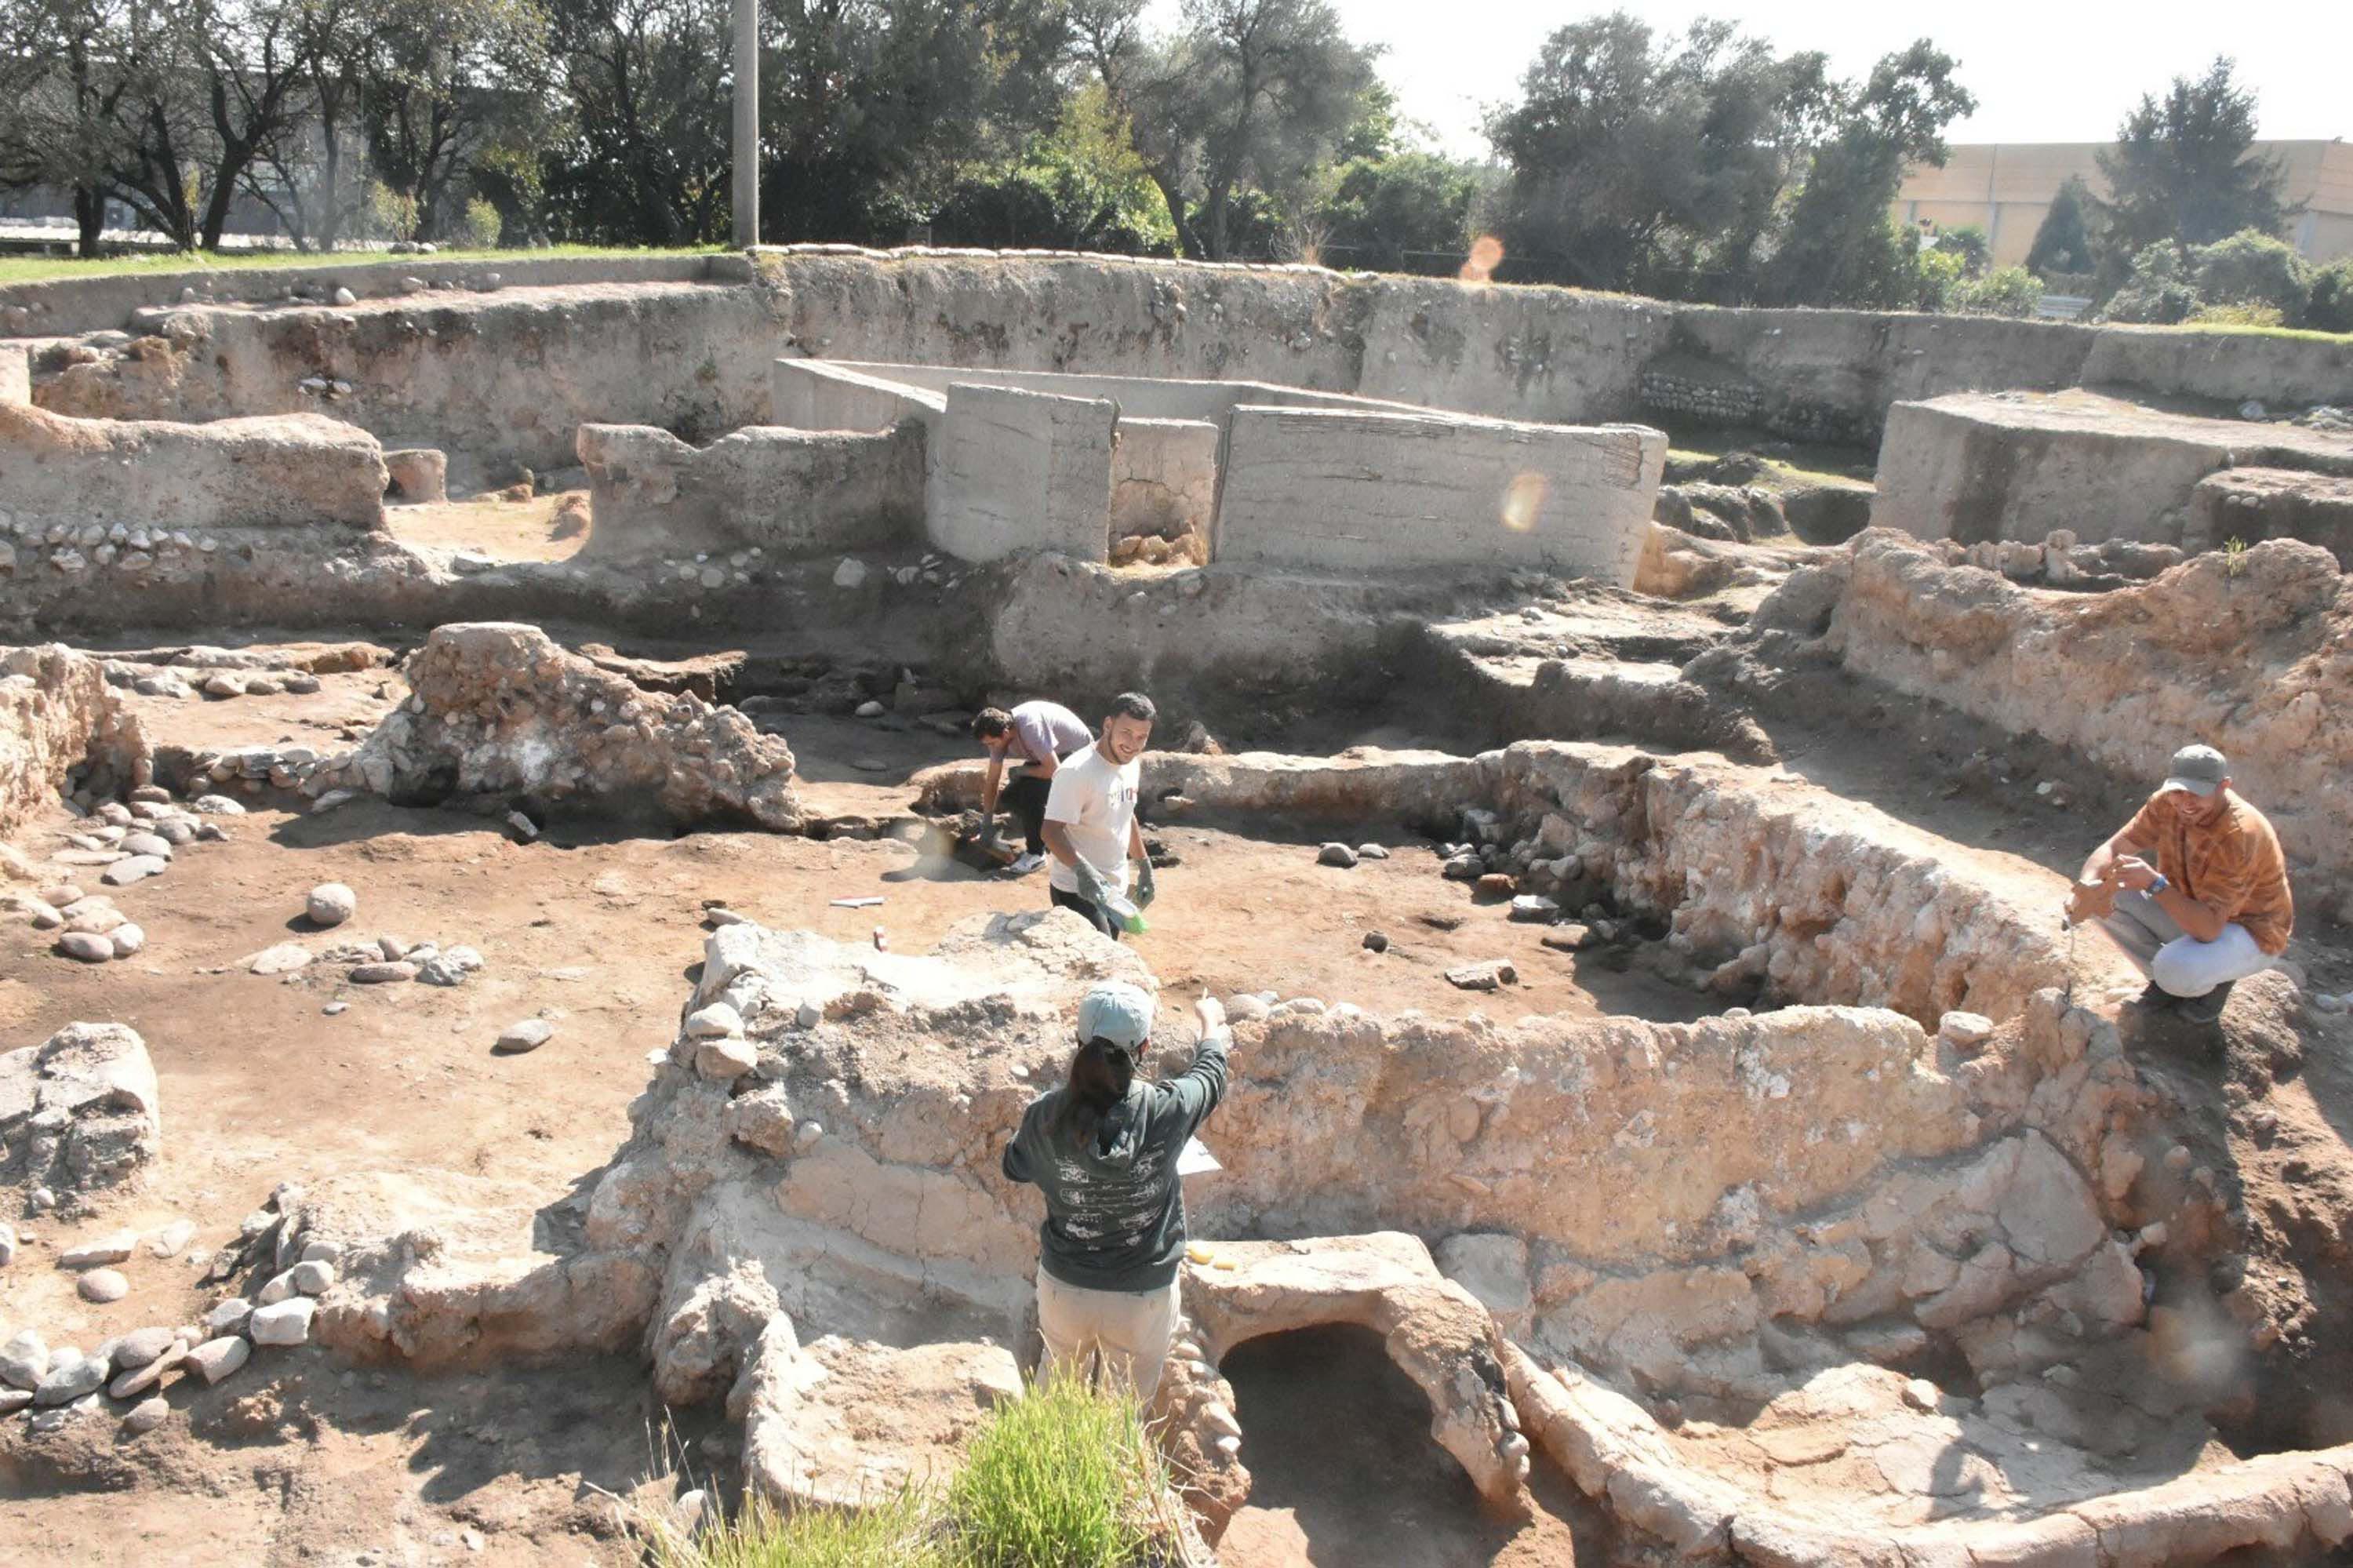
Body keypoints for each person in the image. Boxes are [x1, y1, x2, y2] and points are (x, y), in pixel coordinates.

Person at [1001, 982, 1229, 1400]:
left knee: (1055, 1401)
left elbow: (1013, 1167)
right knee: (1121, 1412)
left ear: (1078, 1042)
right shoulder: (1167, 1109)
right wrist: (1209, 1023)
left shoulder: (1044, 1118)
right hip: (1143, 1295)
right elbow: (1211, 1076)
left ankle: (1051, 1465)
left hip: (1065, 1287)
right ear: (1143, 1048)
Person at [2079, 743, 2292, 1023]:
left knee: (2174, 969)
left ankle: (2212, 981)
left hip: (2250, 931)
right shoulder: (2166, 803)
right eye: (2179, 791)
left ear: (2223, 786)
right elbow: (2115, 848)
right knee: (2104, 896)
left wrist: (2155, 884)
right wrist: (2085, 887)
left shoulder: (2238, 834)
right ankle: (2173, 986)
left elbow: (2209, 931)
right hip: (2195, 909)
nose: (2186, 802)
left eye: (2197, 793)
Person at [1042, 692, 1156, 940]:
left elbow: (1127, 815)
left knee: (1108, 959)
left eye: (1142, 737)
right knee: (1091, 968)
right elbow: (1050, 832)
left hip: (1114, 888)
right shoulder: (1076, 772)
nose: (1133, 744)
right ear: (1108, 725)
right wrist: (1085, 873)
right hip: (1077, 890)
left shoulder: (1131, 764)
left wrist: (1144, 866)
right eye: (1126, 733)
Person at [973, 700, 1094, 876]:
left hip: (1080, 757)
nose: (990, 748)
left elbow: (1054, 770)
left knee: (1030, 795)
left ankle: (1037, 854)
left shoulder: (1030, 728)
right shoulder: (1000, 735)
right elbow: (992, 781)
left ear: (1005, 733)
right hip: (1052, 756)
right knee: (1010, 797)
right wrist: (986, 824)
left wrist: (1023, 770)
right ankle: (1050, 834)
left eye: (991, 744)